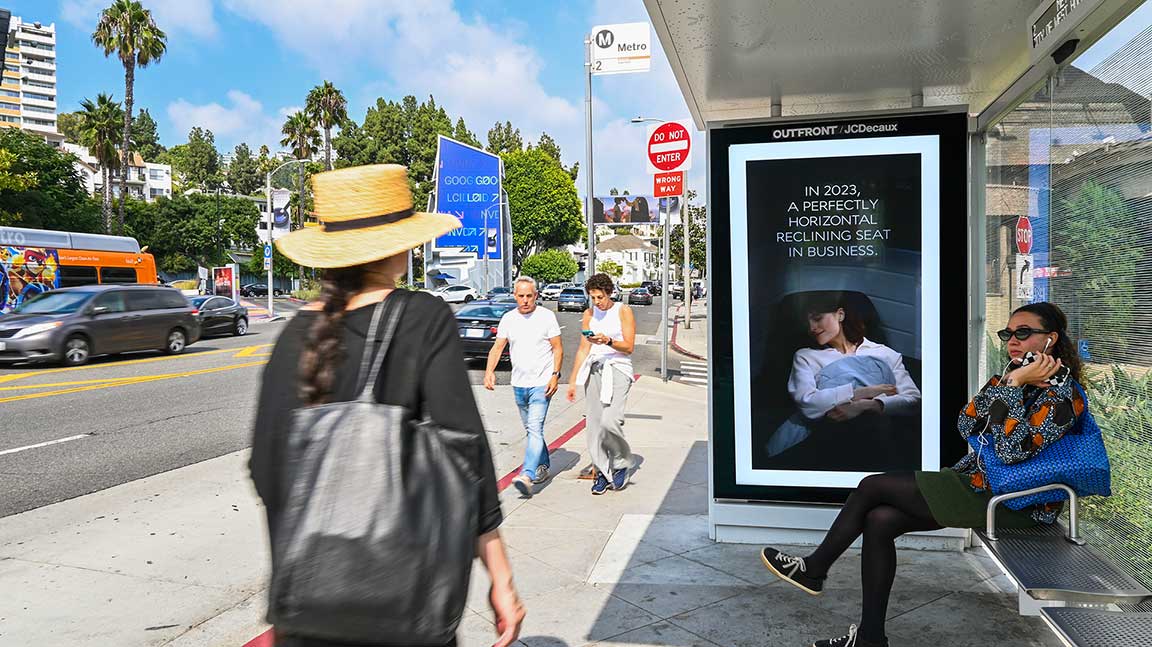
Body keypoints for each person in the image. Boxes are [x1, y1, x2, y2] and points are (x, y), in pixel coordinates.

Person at [249, 164, 524, 647]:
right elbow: (467, 455)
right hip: (405, 607)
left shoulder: (293, 336)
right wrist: (499, 574)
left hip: (306, 612)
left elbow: (266, 469)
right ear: (399, 243)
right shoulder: (423, 318)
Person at [759, 302, 1089, 647]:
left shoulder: (1061, 396)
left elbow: (1009, 450)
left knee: (871, 486)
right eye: (1008, 333)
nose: (1012, 341)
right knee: (879, 521)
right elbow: (966, 423)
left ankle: (814, 569)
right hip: (979, 485)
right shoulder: (1013, 376)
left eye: (1023, 333)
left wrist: (1014, 384)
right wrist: (1010, 381)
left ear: (1050, 340)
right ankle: (870, 638)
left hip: (1016, 502)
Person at [767, 294, 922, 458]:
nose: (811, 328)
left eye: (817, 319)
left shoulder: (884, 353)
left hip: (875, 439)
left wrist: (863, 406)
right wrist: (863, 392)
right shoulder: (806, 356)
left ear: (840, 314)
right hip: (820, 440)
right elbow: (808, 403)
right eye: (807, 323)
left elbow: (913, 400)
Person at [484, 276, 563, 498]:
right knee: (531, 429)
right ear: (515, 296)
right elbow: (498, 348)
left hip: (542, 383)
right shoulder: (508, 319)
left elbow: (558, 348)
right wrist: (489, 372)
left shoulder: (546, 317)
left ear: (536, 296)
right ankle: (543, 465)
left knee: (535, 427)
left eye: (530, 296)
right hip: (519, 384)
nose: (525, 300)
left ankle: (526, 474)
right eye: (521, 296)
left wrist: (555, 375)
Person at [566, 273, 637, 494]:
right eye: (593, 298)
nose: (597, 302)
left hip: (618, 368)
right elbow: (583, 348)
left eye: (600, 297)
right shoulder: (589, 314)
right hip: (595, 369)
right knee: (594, 426)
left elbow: (629, 346)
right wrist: (572, 381)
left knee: (610, 421)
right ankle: (602, 473)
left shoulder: (623, 311)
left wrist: (608, 340)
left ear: (609, 293)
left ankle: (620, 463)